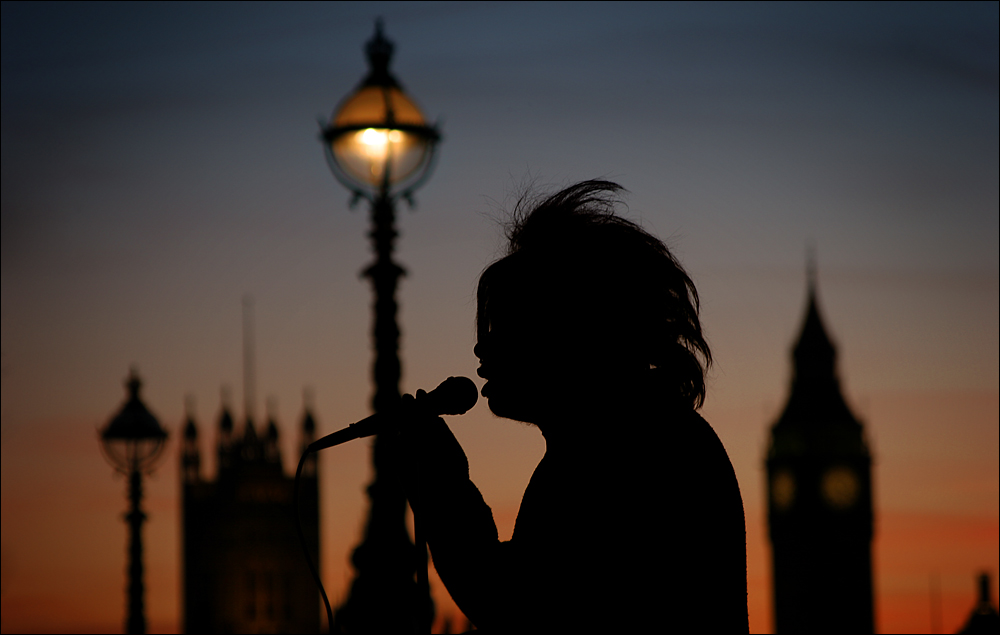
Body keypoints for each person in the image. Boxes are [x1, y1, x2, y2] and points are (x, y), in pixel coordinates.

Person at [398, 181, 748, 632]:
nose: (482, 349)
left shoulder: (622, 450)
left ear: (565, 334)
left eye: (504, 328)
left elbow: (515, 606)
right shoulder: (639, 435)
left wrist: (441, 486)